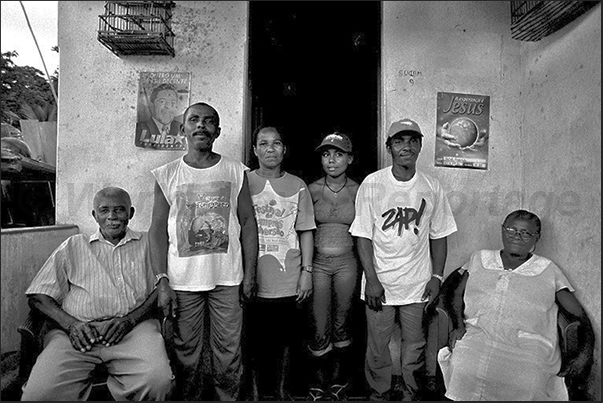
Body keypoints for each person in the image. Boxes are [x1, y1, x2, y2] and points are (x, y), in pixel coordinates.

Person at [148, 102, 259, 401]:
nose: (201, 126)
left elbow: (248, 223)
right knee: (186, 352)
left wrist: (250, 274)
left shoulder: (235, 171)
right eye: (194, 120)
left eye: (209, 122)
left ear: (218, 131)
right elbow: (156, 230)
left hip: (228, 278)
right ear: (182, 128)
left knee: (229, 351)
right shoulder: (167, 174)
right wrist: (162, 280)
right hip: (182, 281)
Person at [21, 186, 173, 401]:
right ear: (95, 215)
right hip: (77, 334)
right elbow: (38, 296)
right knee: (38, 394)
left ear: (131, 213)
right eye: (104, 211)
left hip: (134, 331)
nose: (112, 217)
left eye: (120, 210)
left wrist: (130, 320)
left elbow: (163, 287)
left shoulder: (149, 243)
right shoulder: (73, 245)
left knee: (158, 382)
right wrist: (71, 325)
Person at [349, 118, 458, 401]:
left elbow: (439, 235)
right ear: (389, 148)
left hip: (417, 283)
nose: (406, 147)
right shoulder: (373, 184)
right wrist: (371, 280)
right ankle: (379, 393)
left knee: (415, 346)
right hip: (380, 282)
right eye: (399, 141)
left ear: (420, 145)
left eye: (412, 141)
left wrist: (436, 277)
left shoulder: (431, 186)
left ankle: (411, 393)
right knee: (378, 347)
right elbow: (363, 236)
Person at [437, 209, 595, 401]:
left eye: (526, 233)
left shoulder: (548, 269)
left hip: (528, 343)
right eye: (511, 230)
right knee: (463, 368)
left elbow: (578, 314)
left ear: (536, 239)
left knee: (527, 381)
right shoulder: (480, 258)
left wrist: (584, 353)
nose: (517, 237)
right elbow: (454, 292)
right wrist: (458, 326)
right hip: (479, 334)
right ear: (502, 231)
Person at [245, 125, 315, 401]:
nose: (270, 149)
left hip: (288, 275)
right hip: (253, 275)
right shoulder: (243, 182)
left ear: (284, 150)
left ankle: (285, 393)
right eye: (263, 144)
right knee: (254, 342)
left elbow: (306, 231)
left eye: (276, 143)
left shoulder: (297, 185)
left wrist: (306, 272)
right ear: (254, 150)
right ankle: (255, 394)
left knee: (288, 342)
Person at [306, 132, 360, 401]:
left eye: (338, 154)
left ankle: (339, 381)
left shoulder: (358, 190)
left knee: (342, 321)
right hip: (318, 263)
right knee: (319, 322)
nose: (332, 160)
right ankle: (318, 380)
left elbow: (365, 233)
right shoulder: (312, 189)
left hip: (347, 263)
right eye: (326, 154)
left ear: (349, 159)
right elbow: (302, 230)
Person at [136, 83, 184, 148]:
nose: (168, 106)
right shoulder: (139, 128)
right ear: (151, 105)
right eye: (162, 101)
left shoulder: (182, 129)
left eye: (173, 102)